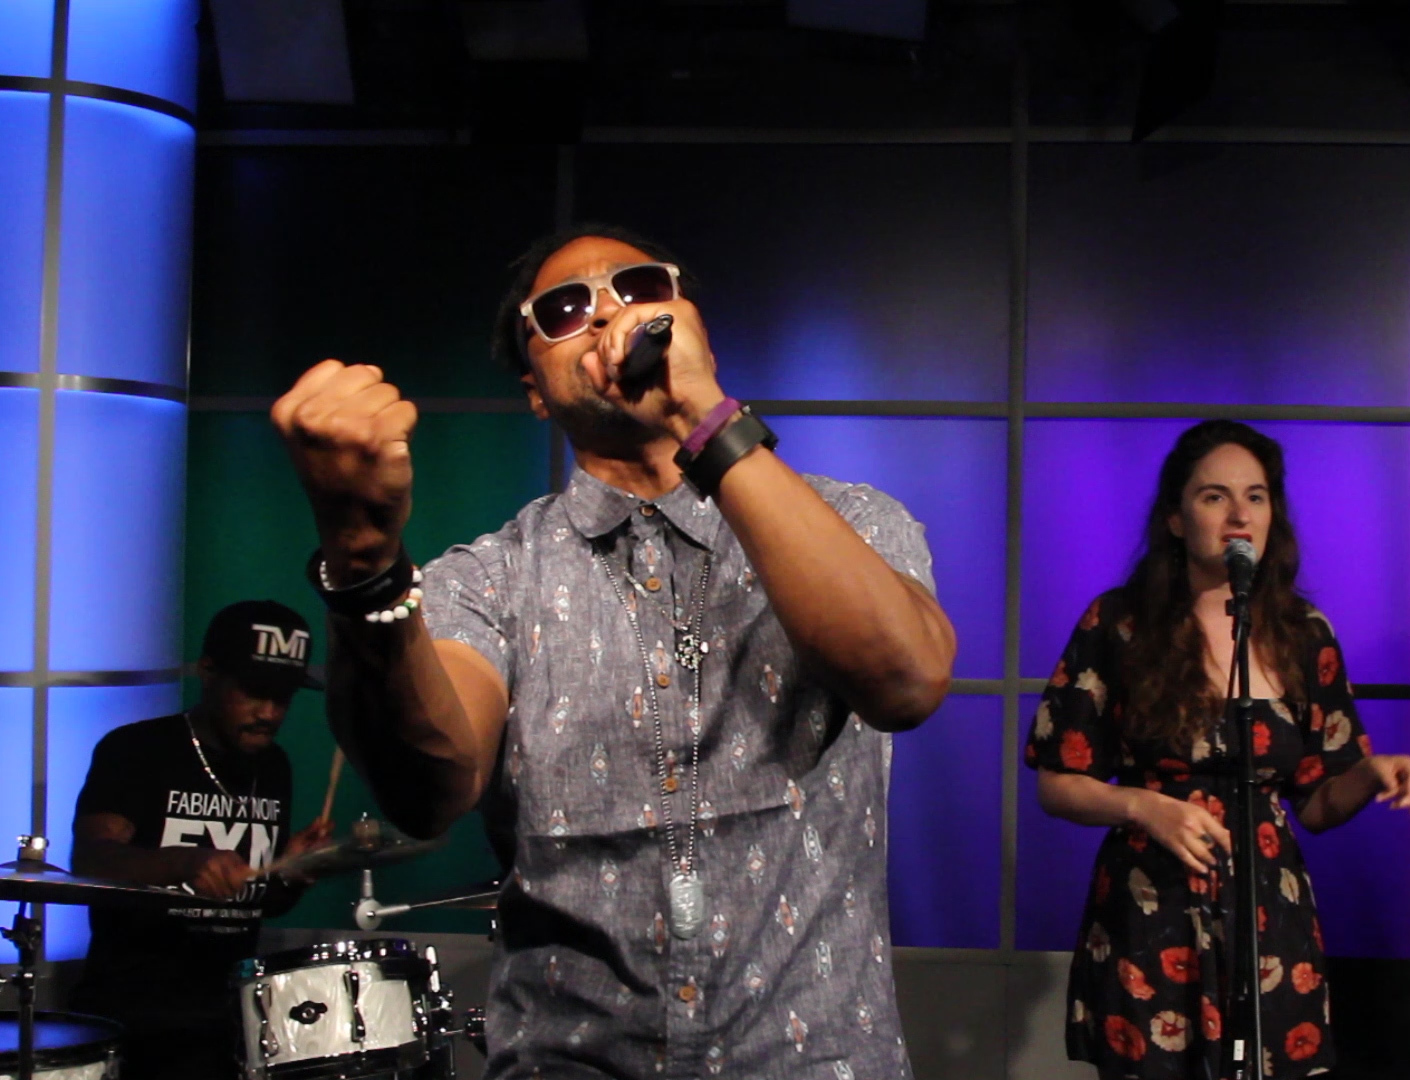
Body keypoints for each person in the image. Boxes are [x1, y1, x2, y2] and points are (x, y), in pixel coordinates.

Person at [269, 223, 955, 1079]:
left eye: (638, 288)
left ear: (691, 322)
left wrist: (705, 418)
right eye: (563, 309)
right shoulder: (488, 578)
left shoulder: (852, 519)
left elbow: (906, 680)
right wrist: (364, 559)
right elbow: (432, 785)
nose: (606, 315)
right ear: (532, 387)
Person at [1024, 419, 1410, 1080]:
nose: (1239, 513)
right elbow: (1058, 782)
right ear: (1178, 520)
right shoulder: (1118, 622)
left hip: (1269, 914)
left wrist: (1372, 775)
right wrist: (1144, 808)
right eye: (1214, 496)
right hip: (1151, 904)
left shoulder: (1303, 634)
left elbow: (1319, 801)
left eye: (1257, 496)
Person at [68, 599, 334, 1080]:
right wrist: (184, 864)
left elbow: (255, 901)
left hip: (227, 1024)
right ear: (208, 672)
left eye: (284, 697)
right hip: (132, 1021)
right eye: (254, 693)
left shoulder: (272, 767)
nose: (270, 713)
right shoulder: (135, 750)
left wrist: (291, 872)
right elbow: (92, 861)